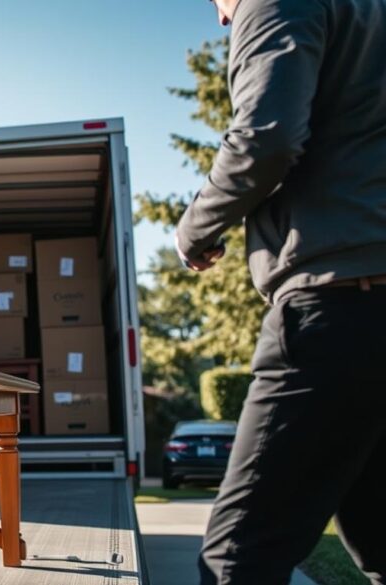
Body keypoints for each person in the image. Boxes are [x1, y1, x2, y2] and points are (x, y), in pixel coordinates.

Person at [177, 1, 386, 583]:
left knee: (239, 557)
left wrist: (194, 229)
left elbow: (265, 139)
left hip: (341, 305)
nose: (221, 18)